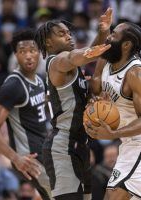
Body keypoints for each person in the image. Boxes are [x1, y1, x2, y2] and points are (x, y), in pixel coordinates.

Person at [34, 7, 113, 200]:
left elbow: (81, 57)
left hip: (80, 145)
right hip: (62, 147)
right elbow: (74, 56)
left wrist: (103, 32)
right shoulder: (56, 62)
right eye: (61, 34)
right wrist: (98, 50)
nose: (69, 37)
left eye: (69, 33)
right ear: (48, 42)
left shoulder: (73, 69)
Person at [84, 22, 141, 200]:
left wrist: (113, 132)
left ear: (126, 44)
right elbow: (96, 82)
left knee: (113, 196)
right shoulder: (107, 60)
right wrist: (95, 100)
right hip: (129, 143)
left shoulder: (137, 74)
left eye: (113, 34)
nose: (108, 38)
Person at [0, 29, 51, 200]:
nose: (28, 56)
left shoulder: (39, 79)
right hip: (29, 158)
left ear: (40, 53)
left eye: (32, 50)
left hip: (45, 150)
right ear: (15, 55)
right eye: (22, 52)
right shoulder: (13, 85)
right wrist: (15, 158)